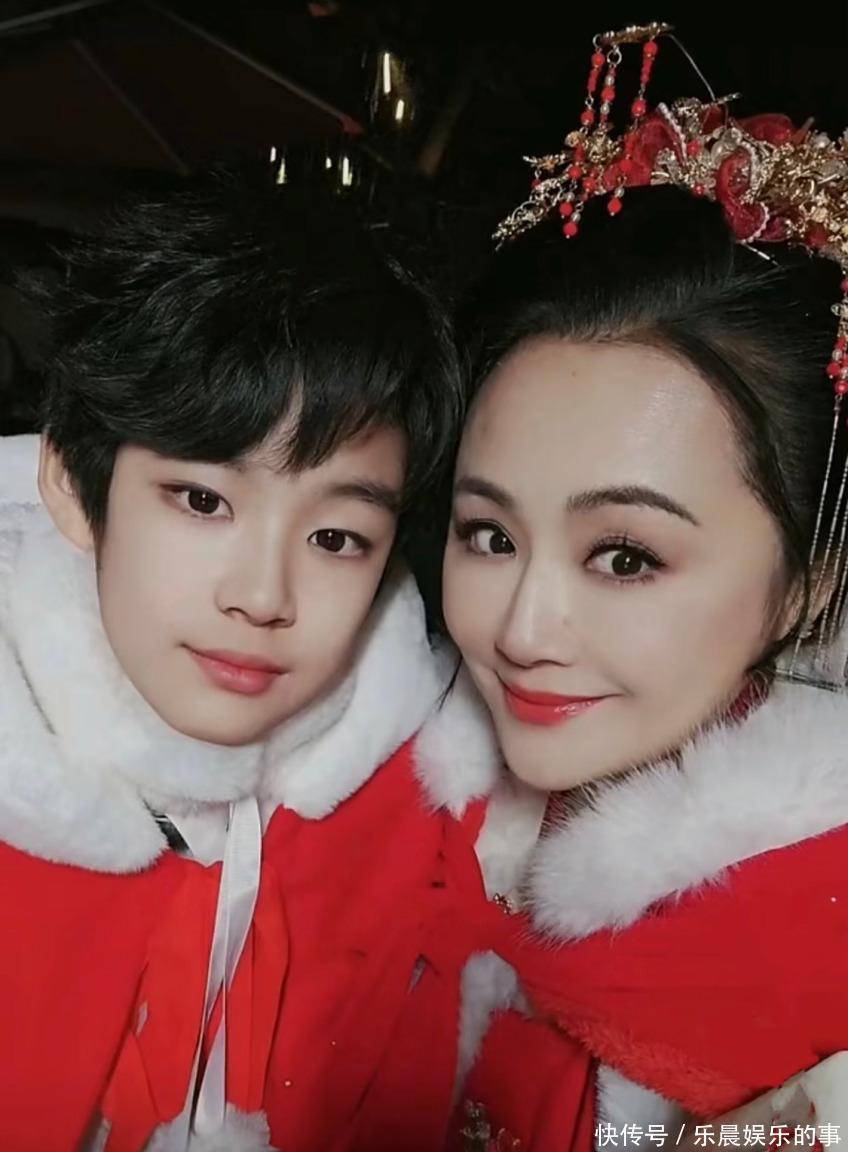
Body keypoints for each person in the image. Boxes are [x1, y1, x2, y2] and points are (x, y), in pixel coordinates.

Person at [0, 174, 483, 1152]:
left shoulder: (425, 804)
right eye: (203, 502)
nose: (263, 596)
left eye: (337, 538)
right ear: (72, 483)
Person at [432, 22, 848, 1147]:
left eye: (625, 556)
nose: (522, 629)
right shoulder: (394, 810)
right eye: (486, 533)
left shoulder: (815, 949)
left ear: (810, 585)